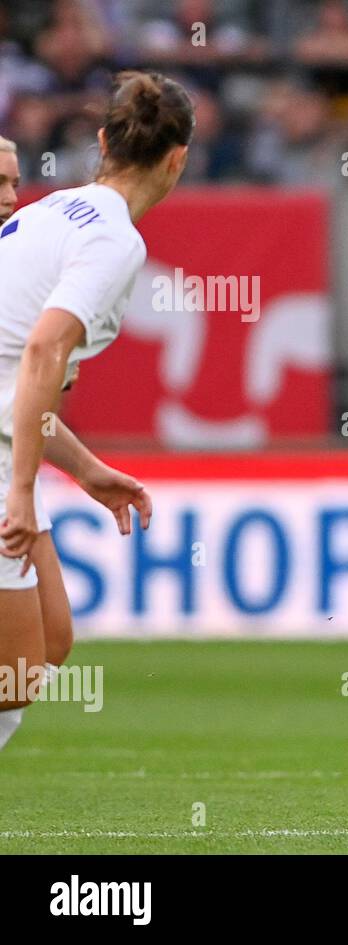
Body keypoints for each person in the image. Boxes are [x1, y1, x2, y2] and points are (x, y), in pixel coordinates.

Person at [0, 71, 194, 750]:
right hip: (2, 463)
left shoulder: (52, 208)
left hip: (9, 439)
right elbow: (43, 349)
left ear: (105, 140)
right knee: (15, 672)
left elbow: (18, 377)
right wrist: (22, 492)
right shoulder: (115, 239)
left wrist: (84, 469)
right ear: (179, 160)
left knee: (50, 637)